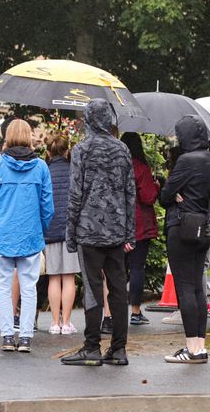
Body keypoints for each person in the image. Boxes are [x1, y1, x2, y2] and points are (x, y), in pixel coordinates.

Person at [61, 99, 135, 366]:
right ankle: (119, 349)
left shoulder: (82, 150)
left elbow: (75, 195)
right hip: (116, 231)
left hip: (89, 230)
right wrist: (130, 234)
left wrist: (71, 234)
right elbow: (130, 194)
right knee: (117, 289)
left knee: (92, 289)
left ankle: (91, 346)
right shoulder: (122, 149)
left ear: (89, 119)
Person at [0, 119, 53, 353]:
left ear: (8, 136)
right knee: (29, 287)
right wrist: (41, 228)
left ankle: (6, 336)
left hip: (2, 235)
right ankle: (25, 338)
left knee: (2, 288)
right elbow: (47, 206)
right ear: (29, 137)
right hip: (30, 235)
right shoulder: (41, 167)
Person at [159, 115, 210, 364]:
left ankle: (191, 348)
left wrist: (175, 192)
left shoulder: (186, 160)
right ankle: (200, 347)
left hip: (182, 228)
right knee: (198, 288)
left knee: (185, 288)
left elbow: (165, 196)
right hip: (204, 229)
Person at [120, 132, 160, 325]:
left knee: (117, 269)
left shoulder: (117, 167)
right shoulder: (142, 168)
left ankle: (113, 312)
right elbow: (148, 197)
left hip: (118, 223)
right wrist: (156, 186)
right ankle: (135, 312)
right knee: (137, 268)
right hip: (139, 225)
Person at [43, 132, 80, 335]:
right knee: (69, 278)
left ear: (48, 152)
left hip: (50, 229)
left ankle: (54, 323)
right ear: (67, 151)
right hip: (70, 230)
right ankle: (66, 323)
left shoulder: (44, 171)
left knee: (53, 278)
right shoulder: (74, 170)